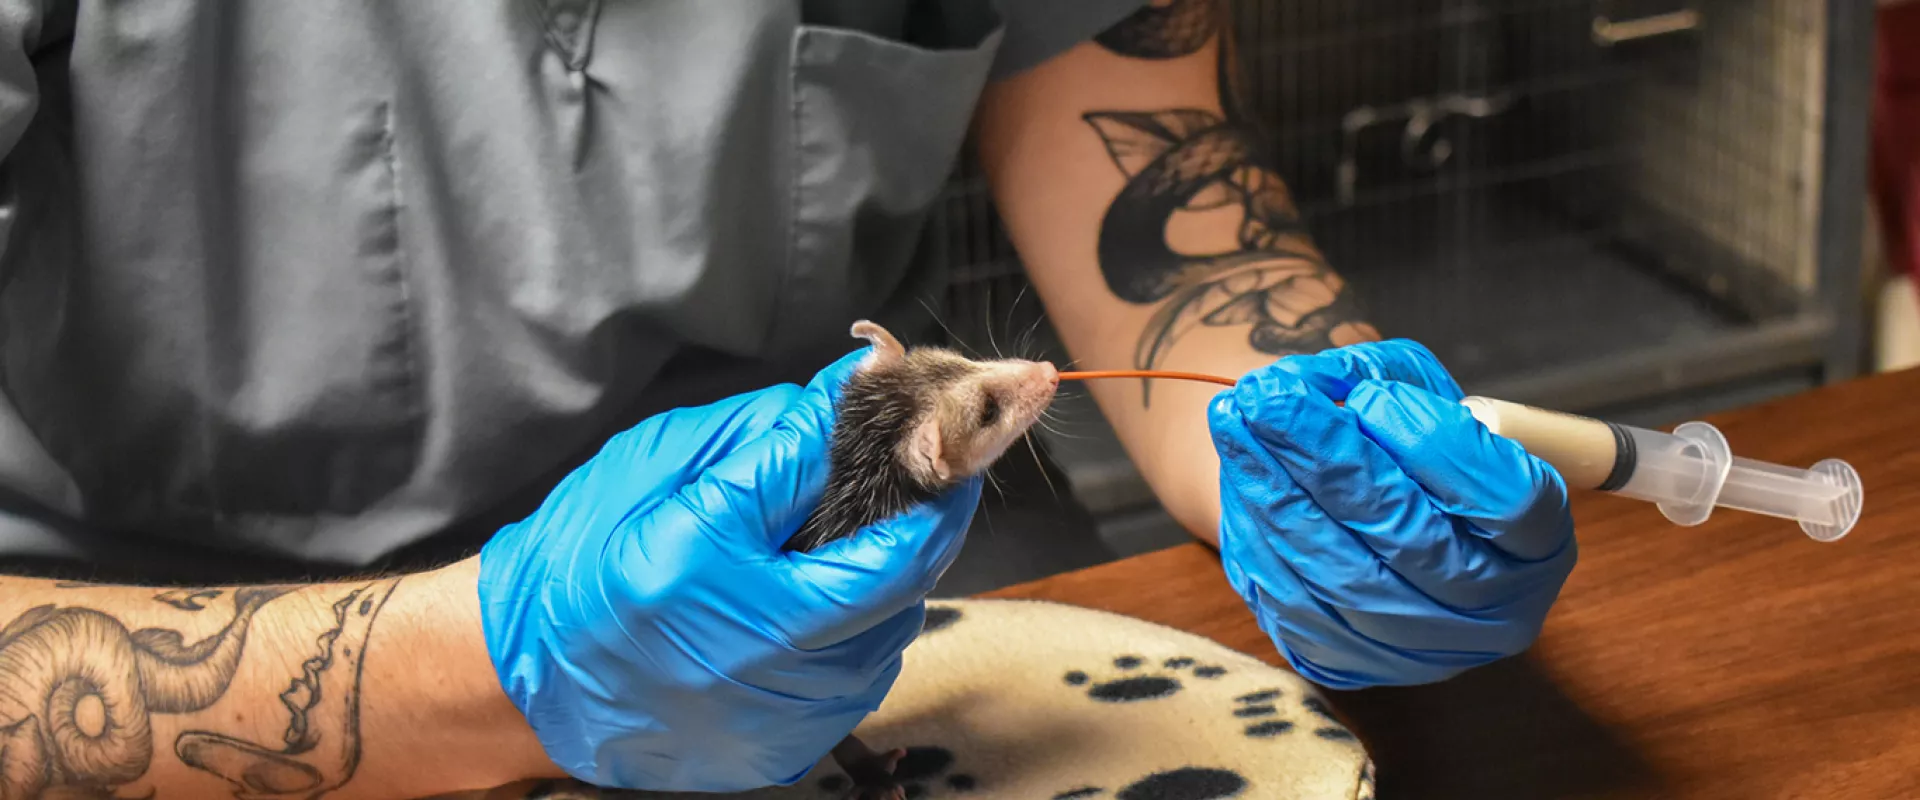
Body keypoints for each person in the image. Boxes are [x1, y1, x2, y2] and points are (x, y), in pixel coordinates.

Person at [0, 1, 1577, 797]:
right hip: (161, 652)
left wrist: (1319, 458)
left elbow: (1135, 135)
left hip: (835, 633)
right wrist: (480, 661)